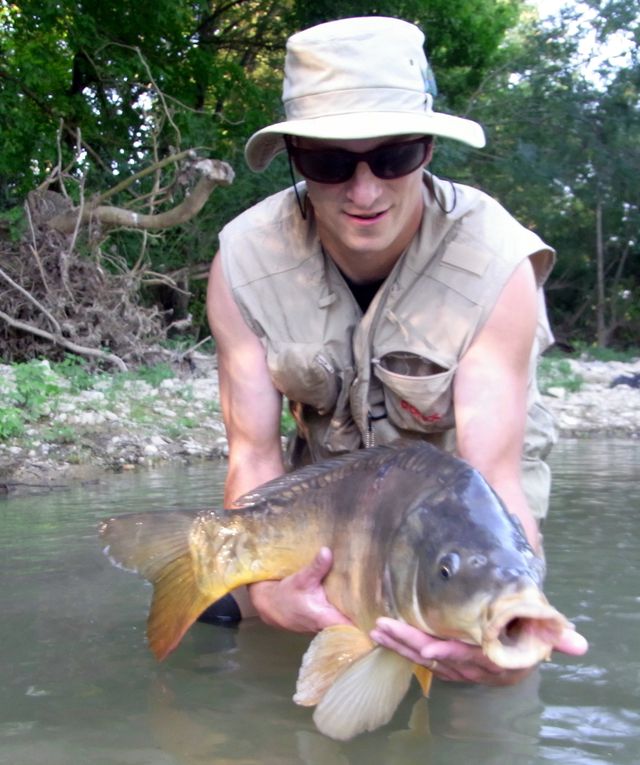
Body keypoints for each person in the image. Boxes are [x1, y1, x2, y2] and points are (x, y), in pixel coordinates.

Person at [206, 16, 588, 684]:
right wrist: (266, 593)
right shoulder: (242, 262)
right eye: (328, 162)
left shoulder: (499, 266)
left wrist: (509, 632)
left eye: (394, 156)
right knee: (222, 626)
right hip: (327, 517)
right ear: (295, 155)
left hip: (456, 531)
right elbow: (255, 456)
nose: (365, 191)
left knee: (496, 679)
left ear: (429, 148)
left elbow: (494, 476)